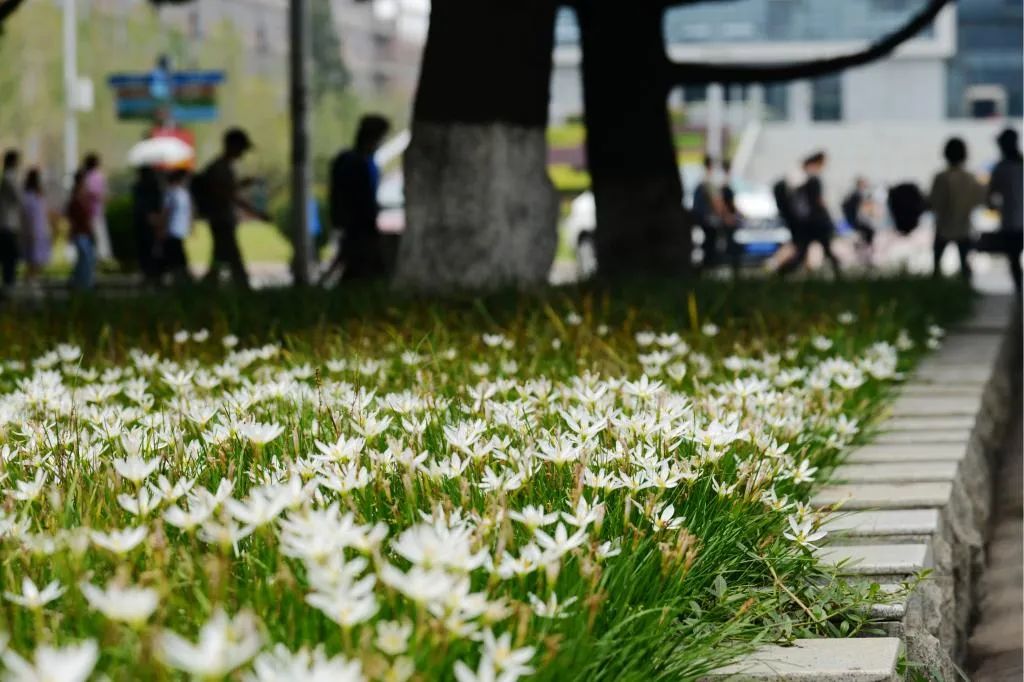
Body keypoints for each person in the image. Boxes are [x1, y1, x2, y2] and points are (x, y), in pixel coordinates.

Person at [323, 114, 391, 282]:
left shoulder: (356, 160)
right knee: (362, 268)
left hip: (356, 225)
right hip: (359, 226)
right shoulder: (357, 162)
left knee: (350, 264)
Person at [200, 127, 267, 288]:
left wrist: (241, 185)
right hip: (222, 220)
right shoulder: (220, 168)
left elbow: (227, 190)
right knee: (233, 259)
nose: (243, 153)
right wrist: (256, 212)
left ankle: (207, 286)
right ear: (233, 146)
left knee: (220, 258)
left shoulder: (221, 167)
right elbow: (227, 195)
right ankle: (243, 289)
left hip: (221, 219)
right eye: (242, 148)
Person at [777, 151, 841, 278]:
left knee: (806, 250)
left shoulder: (799, 181)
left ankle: (783, 272)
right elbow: (818, 203)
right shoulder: (812, 181)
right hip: (815, 223)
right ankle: (783, 272)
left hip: (806, 223)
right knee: (820, 249)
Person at [929, 137, 984, 282]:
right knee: (965, 268)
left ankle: (935, 292)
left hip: (943, 227)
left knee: (936, 267)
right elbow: (979, 200)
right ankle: (966, 294)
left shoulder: (941, 178)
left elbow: (934, 203)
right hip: (964, 228)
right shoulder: (970, 178)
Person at [987, 128, 1023, 294]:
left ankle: (1019, 293)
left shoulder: (1000, 169)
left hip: (1010, 222)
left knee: (1014, 261)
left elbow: (990, 198)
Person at [132, 166, 164, 284]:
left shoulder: (139, 188)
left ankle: (149, 273)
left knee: (146, 251)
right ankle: (154, 274)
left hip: (143, 223)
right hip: (150, 222)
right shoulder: (154, 188)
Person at [692, 155, 724, 270]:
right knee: (711, 243)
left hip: (701, 218)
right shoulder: (709, 180)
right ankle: (708, 266)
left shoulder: (700, 179)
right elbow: (716, 201)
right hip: (710, 218)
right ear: (711, 165)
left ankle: (704, 265)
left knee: (707, 242)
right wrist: (723, 215)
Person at [161, 169, 193, 284]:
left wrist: (162, 228)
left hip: (172, 229)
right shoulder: (183, 193)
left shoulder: (171, 193)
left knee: (173, 256)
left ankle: (177, 278)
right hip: (180, 228)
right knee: (178, 254)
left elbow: (166, 212)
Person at [67, 170, 95, 290]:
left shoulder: (80, 197)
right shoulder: (77, 199)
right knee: (85, 259)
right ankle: (82, 284)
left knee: (85, 259)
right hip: (81, 232)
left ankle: (80, 283)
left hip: (82, 232)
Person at [21, 169, 51, 283]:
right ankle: (30, 284)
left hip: (37, 231)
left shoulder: (35, 195)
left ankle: (31, 282)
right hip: (34, 231)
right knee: (33, 262)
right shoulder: (30, 196)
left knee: (35, 262)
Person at [82, 153, 113, 262]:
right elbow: (96, 192)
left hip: (91, 210)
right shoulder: (97, 176)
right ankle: (101, 258)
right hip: (95, 210)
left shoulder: (88, 177)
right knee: (99, 235)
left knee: (95, 235)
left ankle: (98, 257)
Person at [0, 149, 22, 292]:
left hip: (9, 223)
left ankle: (9, 283)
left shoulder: (9, 177)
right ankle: (9, 285)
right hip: (7, 224)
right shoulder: (9, 178)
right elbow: (18, 196)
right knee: (10, 256)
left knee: (10, 256)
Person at [842, 176, 876, 266]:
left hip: (854, 221)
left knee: (866, 235)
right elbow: (864, 208)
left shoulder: (854, 194)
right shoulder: (857, 195)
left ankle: (862, 252)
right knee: (869, 233)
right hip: (856, 221)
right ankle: (865, 256)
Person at [719, 159, 743, 276]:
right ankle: (732, 266)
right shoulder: (724, 184)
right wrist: (728, 216)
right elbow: (724, 202)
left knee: (731, 241)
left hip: (731, 216)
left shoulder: (725, 183)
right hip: (729, 218)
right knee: (730, 242)